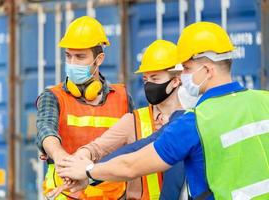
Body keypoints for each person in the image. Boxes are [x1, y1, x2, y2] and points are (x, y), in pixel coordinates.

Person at [55, 21, 269, 200]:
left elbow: (132, 165)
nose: (183, 75)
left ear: (207, 70)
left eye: (186, 68)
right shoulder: (264, 101)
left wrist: (89, 171)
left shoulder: (195, 122)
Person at [49, 39, 199, 199]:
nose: (149, 85)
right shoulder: (133, 121)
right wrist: (81, 160)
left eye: (155, 79)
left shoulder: (192, 122)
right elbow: (98, 148)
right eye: (145, 80)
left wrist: (89, 171)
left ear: (176, 80)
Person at [36, 16, 134, 199]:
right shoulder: (53, 96)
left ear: (99, 59)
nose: (72, 63)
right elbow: (45, 128)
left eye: (80, 56)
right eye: (68, 56)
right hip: (65, 194)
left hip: (114, 195)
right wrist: (58, 155)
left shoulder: (122, 98)